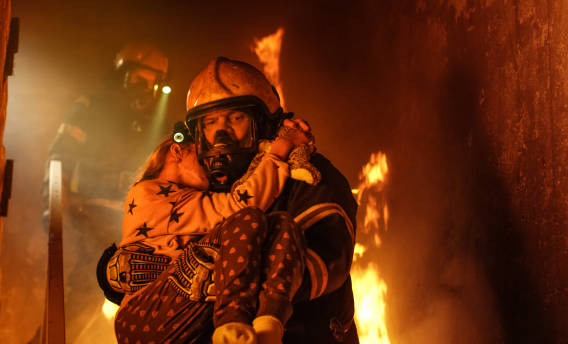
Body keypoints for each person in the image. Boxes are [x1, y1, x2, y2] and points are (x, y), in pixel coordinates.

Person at [184, 57, 358, 343]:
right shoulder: (200, 189)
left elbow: (327, 261)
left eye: (235, 118)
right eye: (210, 123)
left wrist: (224, 282)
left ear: (264, 123)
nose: (220, 135)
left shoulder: (309, 175)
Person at [108, 118, 312, 344]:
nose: (210, 165)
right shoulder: (149, 192)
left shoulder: (185, 199)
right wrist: (280, 150)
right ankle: (233, 328)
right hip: (144, 316)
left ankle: (268, 331)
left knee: (281, 225)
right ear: (177, 150)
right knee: (247, 219)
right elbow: (241, 206)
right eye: (201, 158)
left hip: (179, 313)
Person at [44, 41, 171, 343]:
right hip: (91, 209)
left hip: (138, 221)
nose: (146, 87)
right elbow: (59, 156)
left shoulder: (156, 121)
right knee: (90, 284)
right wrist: (55, 206)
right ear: (122, 74)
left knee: (143, 297)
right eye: (140, 78)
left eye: (153, 81)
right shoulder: (92, 108)